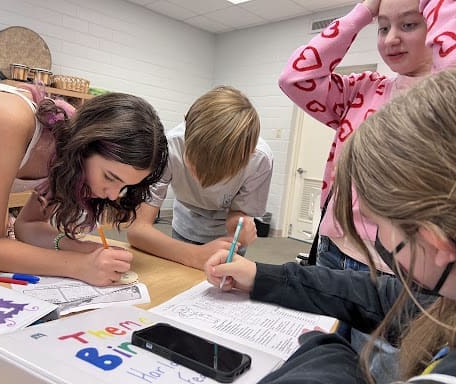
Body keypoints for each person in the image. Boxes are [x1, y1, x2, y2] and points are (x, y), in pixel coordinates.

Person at [204, 68, 456, 384]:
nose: (377, 239)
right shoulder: (443, 293)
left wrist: (328, 353)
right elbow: (376, 295)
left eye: (378, 223)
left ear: (433, 240)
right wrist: (259, 276)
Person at [0, 81, 168, 286]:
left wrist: (82, 249)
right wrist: (79, 266)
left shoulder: (65, 159)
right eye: (110, 177)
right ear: (84, 146)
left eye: (124, 187)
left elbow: (27, 226)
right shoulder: (9, 121)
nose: (112, 195)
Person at [278, 0, 432, 273]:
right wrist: (363, 13)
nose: (392, 38)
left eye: (408, 25)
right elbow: (295, 78)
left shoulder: (445, 98)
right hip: (334, 249)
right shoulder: (365, 89)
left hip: (399, 268)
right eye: (383, 28)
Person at [126, 86, 273, 270]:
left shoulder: (259, 158)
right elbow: (137, 229)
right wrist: (193, 255)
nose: (204, 182)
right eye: (195, 165)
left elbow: (238, 213)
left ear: (248, 154)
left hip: (227, 239)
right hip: (185, 226)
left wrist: (239, 226)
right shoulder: (168, 147)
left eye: (223, 175)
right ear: (187, 121)